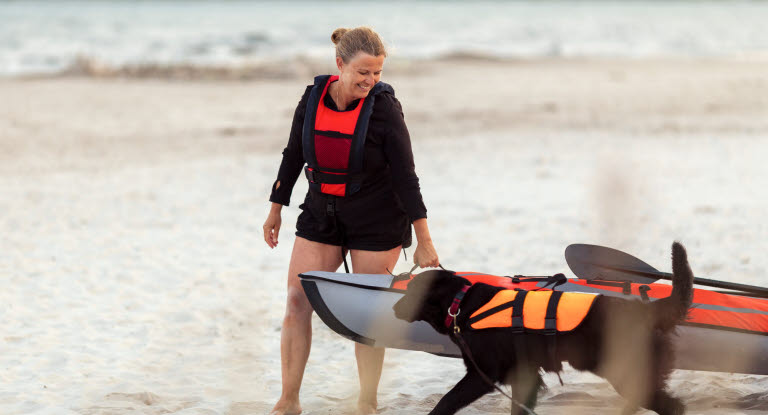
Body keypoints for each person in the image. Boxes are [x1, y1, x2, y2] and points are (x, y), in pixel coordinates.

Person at [263, 26, 439, 415]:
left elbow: (406, 178)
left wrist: (424, 239)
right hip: (322, 210)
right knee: (296, 299)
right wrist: (276, 207)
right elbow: (294, 155)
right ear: (339, 64)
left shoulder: (385, 109)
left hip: (377, 217)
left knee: (368, 313)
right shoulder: (312, 98)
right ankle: (288, 400)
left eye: (377, 73)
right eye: (363, 72)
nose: (370, 80)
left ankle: (366, 403)